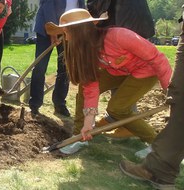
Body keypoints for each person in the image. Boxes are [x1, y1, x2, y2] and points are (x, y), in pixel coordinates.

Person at [45, 9, 172, 155]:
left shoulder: (120, 36)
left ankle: (158, 144)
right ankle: (80, 137)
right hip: (118, 72)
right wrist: (88, 123)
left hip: (146, 71)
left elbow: (157, 58)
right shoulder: (87, 51)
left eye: (66, 33)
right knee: (84, 88)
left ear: (79, 31)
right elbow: (91, 86)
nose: (66, 39)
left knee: (117, 109)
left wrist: (170, 91)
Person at [119, 0, 184, 189]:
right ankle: (160, 169)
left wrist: (170, 84)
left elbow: (157, 59)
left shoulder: (118, 38)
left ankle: (159, 167)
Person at [79, 0, 156, 137]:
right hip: (142, 33)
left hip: (120, 38)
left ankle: (112, 123)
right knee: (127, 85)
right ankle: (124, 123)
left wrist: (78, 33)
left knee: (110, 79)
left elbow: (93, 16)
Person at [29, 0, 88, 117]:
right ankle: (35, 104)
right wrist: (52, 29)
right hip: (48, 26)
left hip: (71, 30)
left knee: (65, 67)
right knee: (40, 66)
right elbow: (47, 3)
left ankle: (59, 104)